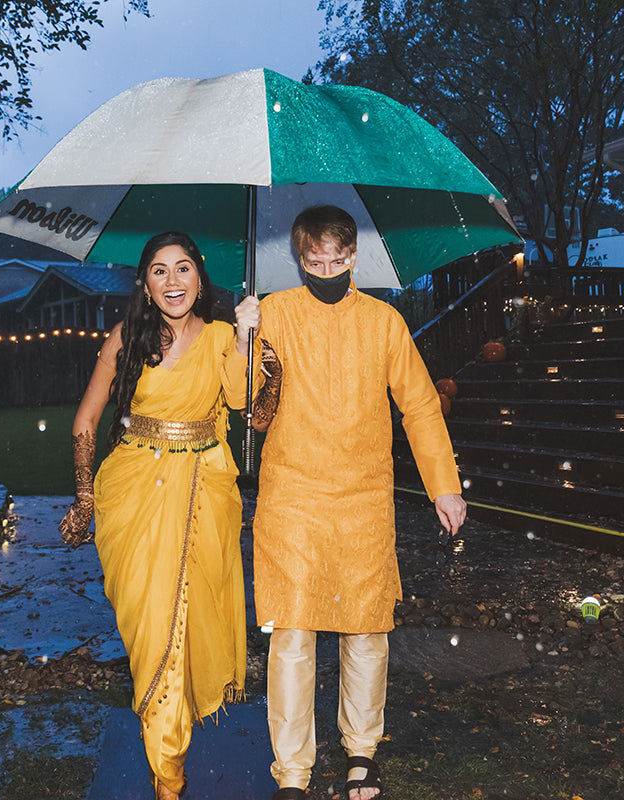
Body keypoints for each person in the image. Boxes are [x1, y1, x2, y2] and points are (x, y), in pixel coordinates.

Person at [227, 205, 467, 800]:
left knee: (366, 632)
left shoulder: (385, 322)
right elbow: (239, 399)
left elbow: (419, 404)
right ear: (299, 258)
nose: (327, 269)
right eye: (315, 261)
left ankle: (361, 751)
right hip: (293, 498)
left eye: (338, 260)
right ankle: (293, 773)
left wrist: (444, 484)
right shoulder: (273, 314)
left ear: (354, 257)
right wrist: (242, 336)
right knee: (293, 635)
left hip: (363, 498)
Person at [58, 231, 253, 800]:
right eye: (159, 271)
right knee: (150, 630)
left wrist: (247, 337)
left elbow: (248, 405)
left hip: (203, 495)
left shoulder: (223, 336)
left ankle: (168, 776)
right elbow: (84, 424)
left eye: (184, 268)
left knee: (186, 626)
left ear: (201, 277)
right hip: (133, 496)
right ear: (144, 283)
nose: (173, 282)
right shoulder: (125, 337)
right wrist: (85, 500)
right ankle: (167, 755)